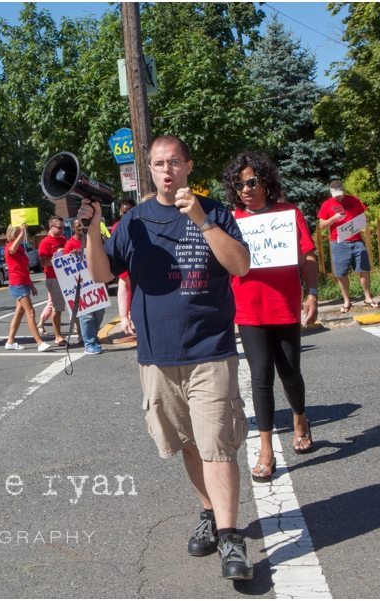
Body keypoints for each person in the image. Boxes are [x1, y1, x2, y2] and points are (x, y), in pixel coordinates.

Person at [81, 135, 253, 580]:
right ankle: (210, 515)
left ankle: (232, 540)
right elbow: (101, 273)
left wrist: (201, 219)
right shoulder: (134, 222)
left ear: (188, 166)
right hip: (156, 358)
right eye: (158, 164)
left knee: (217, 445)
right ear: (149, 170)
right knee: (189, 444)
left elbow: (240, 266)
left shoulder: (214, 211)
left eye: (173, 162)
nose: (166, 170)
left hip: (209, 351)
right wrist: (92, 229)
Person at [222, 152, 318, 482]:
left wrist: (313, 293)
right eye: (239, 184)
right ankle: (266, 449)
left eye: (251, 181)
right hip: (249, 311)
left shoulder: (289, 213)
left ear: (265, 181)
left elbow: (308, 256)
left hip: (283, 305)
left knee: (290, 372)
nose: (245, 189)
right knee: (260, 376)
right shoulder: (230, 221)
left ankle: (300, 418)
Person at [317, 178, 380, 312]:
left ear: (343, 190)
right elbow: (321, 225)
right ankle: (346, 300)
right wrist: (333, 218)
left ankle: (368, 297)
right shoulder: (327, 204)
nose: (338, 197)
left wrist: (364, 220)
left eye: (340, 194)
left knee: (364, 269)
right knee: (341, 273)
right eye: (336, 195)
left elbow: (363, 216)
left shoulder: (354, 200)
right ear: (331, 192)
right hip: (339, 242)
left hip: (356, 240)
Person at [5, 223, 51, 352]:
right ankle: (39, 342)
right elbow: (12, 250)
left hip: (24, 281)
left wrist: (31, 285)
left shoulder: (20, 248)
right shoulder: (10, 246)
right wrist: (21, 233)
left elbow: (24, 269)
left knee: (19, 313)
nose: (21, 233)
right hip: (17, 283)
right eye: (18, 231)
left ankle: (10, 341)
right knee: (30, 312)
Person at [63, 219, 102, 354]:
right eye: (78, 226)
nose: (80, 227)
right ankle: (89, 343)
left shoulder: (91, 238)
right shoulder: (70, 244)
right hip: (79, 284)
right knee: (87, 315)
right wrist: (71, 256)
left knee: (99, 312)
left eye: (82, 225)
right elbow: (64, 265)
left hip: (95, 281)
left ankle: (93, 336)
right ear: (73, 228)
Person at [38, 215, 68, 346]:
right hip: (53, 278)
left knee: (71, 305)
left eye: (63, 227)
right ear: (51, 227)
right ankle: (58, 335)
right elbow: (43, 263)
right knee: (57, 307)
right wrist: (56, 257)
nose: (62, 230)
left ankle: (78, 330)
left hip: (65, 276)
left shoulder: (63, 239)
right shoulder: (45, 242)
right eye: (60, 228)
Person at [112, 199, 136, 336]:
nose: (126, 215)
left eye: (129, 212)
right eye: (124, 212)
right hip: (125, 264)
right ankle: (125, 317)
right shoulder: (117, 226)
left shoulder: (141, 224)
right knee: (125, 285)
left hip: (139, 263)